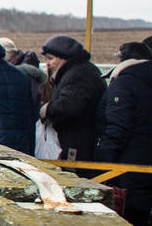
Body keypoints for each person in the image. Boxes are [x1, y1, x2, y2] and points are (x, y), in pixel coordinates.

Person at [95, 48, 152, 226]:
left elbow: (118, 126)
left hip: (124, 163)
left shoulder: (123, 84)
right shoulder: (150, 84)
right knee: (139, 216)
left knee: (124, 217)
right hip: (147, 160)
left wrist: (101, 160)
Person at [38, 34, 106, 162]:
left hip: (76, 146)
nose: (48, 63)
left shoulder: (78, 75)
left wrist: (44, 110)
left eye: (51, 58)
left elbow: (66, 107)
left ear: (63, 58)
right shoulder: (80, 71)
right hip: (79, 141)